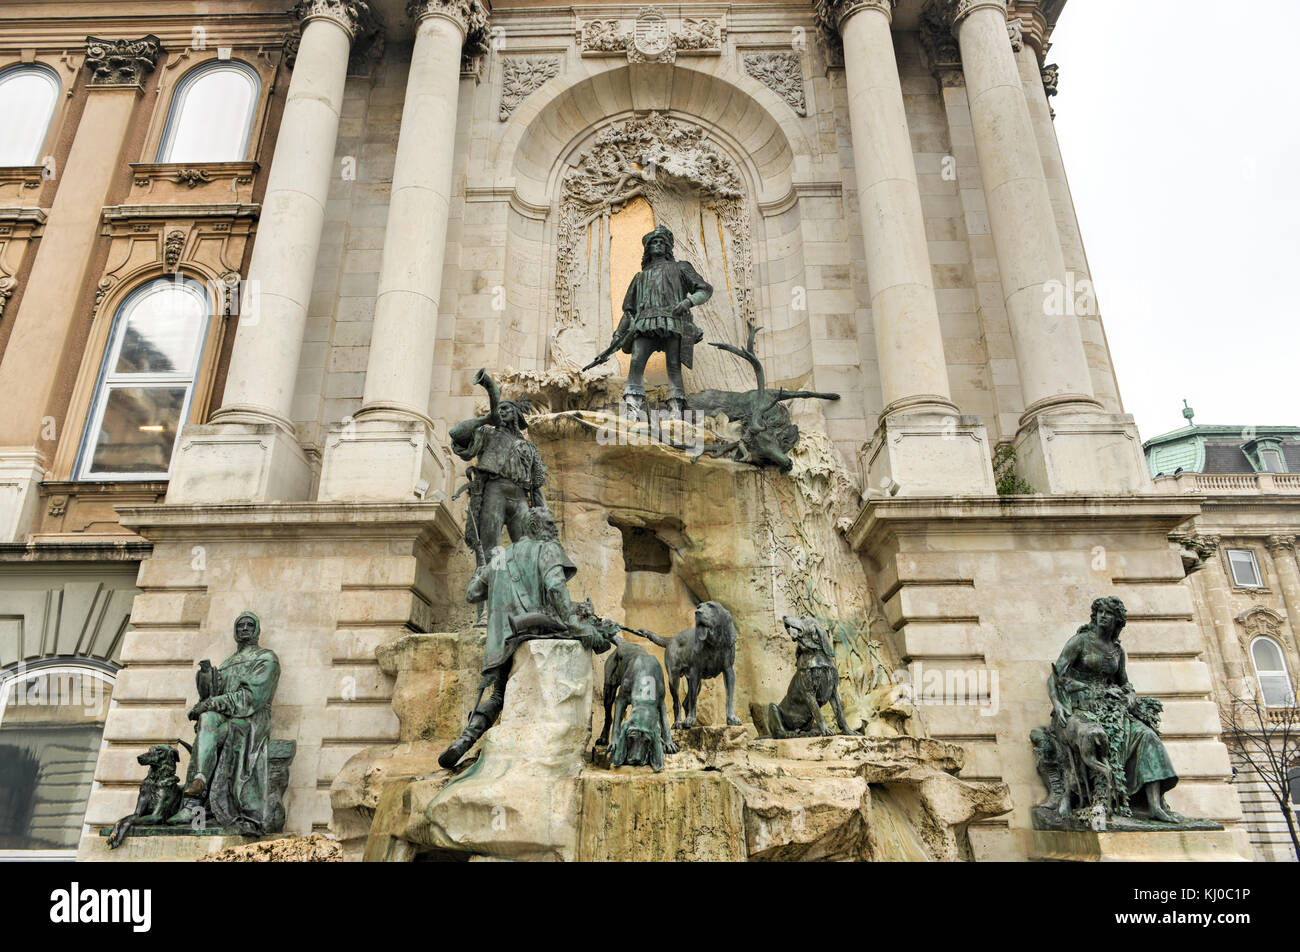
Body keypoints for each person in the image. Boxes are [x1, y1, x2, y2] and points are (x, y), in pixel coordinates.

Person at [438, 507, 605, 769]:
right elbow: (555, 587)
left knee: (497, 696)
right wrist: (576, 625)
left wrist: (485, 569)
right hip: (534, 628)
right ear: (536, 528)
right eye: (550, 524)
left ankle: (465, 739)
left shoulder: (503, 556)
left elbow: (472, 593)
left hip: (503, 640)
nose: (554, 529)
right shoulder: (547, 548)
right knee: (594, 632)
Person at [1047, 596, 1179, 821]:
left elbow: (1124, 682)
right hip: (1080, 708)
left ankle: (1154, 805)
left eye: (1108, 613)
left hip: (1111, 708)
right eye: (1100, 612)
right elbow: (1055, 676)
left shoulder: (1118, 651)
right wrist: (1058, 704)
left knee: (1148, 737)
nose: (1102, 616)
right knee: (1096, 736)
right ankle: (1098, 799)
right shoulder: (1079, 641)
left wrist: (1130, 694)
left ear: (1118, 620)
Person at [171, 611, 280, 832]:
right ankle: (198, 784)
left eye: (250, 625)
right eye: (240, 625)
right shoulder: (228, 662)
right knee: (207, 719)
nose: (245, 628)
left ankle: (194, 803)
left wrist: (211, 703)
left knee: (214, 727)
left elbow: (251, 698)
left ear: (257, 630)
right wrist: (205, 682)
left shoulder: (266, 658)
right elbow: (213, 697)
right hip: (224, 719)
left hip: (250, 721)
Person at [607, 225, 712, 415]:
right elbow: (628, 311)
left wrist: (688, 302)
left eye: (661, 242)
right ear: (647, 248)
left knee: (673, 364)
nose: (657, 245)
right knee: (637, 361)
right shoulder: (640, 277)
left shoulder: (681, 267)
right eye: (653, 242)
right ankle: (632, 405)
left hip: (673, 321)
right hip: (645, 323)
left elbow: (704, 289)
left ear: (667, 247)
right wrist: (618, 334)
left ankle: (676, 407)